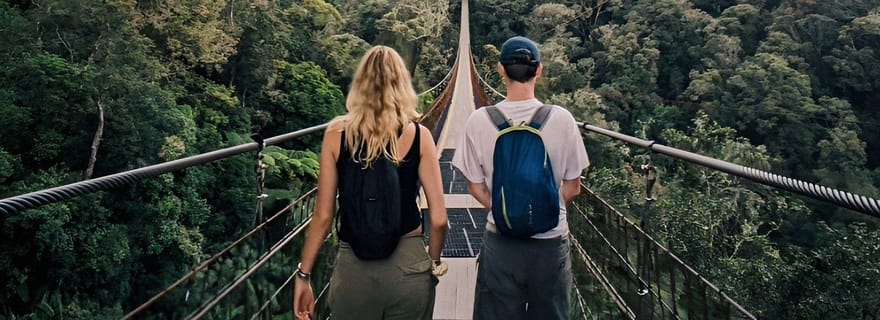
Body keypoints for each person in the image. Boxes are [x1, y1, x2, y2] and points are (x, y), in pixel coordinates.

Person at [293, 46, 448, 320]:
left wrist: (303, 275)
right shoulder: (420, 136)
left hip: (354, 272)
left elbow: (324, 216)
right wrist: (433, 263)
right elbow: (438, 220)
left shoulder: (336, 134)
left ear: (360, 84)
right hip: (408, 268)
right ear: (402, 85)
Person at [452, 36, 589, 319]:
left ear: (501, 70)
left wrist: (506, 210)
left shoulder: (479, 120)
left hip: (501, 240)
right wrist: (543, 209)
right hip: (550, 242)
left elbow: (475, 187)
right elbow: (574, 188)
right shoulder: (562, 119)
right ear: (538, 70)